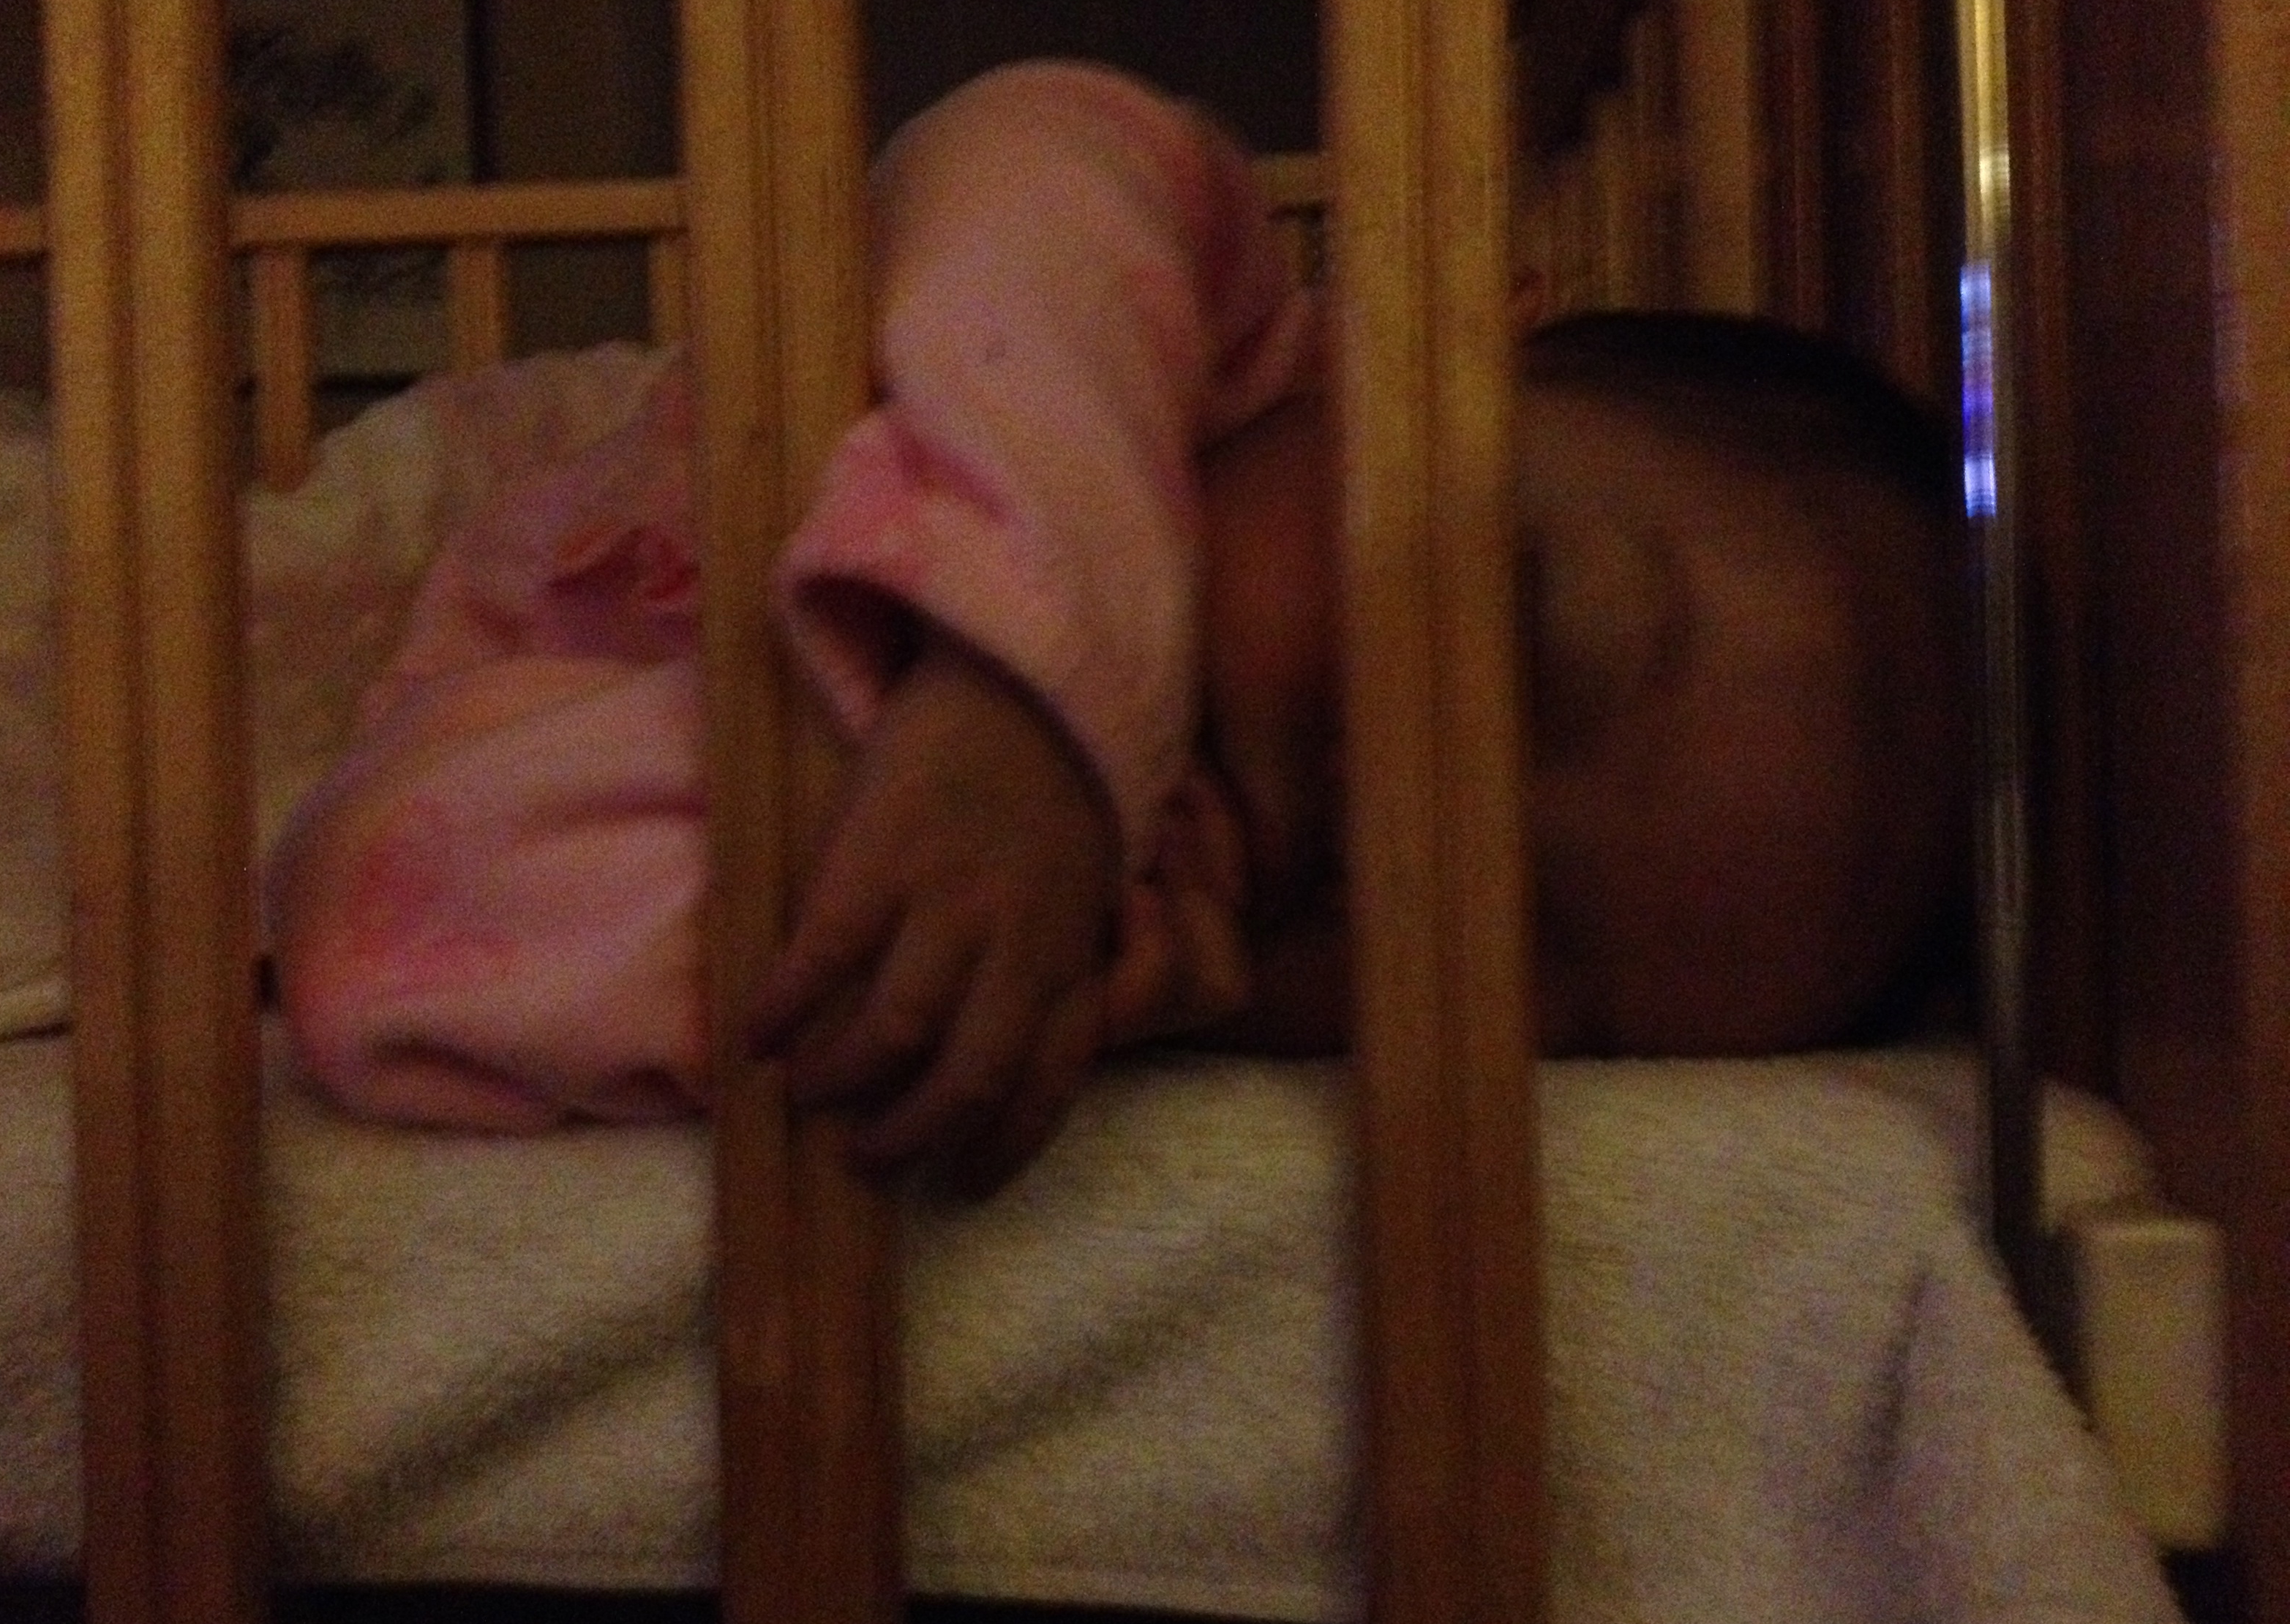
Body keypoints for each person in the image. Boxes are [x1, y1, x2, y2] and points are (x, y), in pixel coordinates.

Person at [267, 60, 1967, 1189]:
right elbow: (1029, 143)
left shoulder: (1122, 961)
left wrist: (989, 968)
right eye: (1514, 659)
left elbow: (380, 919)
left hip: (461, 714)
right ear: (1426, 346)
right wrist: (1034, 699)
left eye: (1528, 955)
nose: (1413, 837)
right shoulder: (1197, 321)